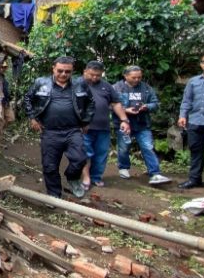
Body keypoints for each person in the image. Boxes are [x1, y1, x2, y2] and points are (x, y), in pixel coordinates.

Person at [24, 56, 95, 198]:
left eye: (67, 72)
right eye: (60, 71)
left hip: (73, 130)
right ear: (53, 69)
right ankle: (54, 195)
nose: (63, 74)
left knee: (80, 158)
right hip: (50, 131)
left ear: (72, 71)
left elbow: (90, 102)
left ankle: (72, 177)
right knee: (50, 166)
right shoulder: (41, 83)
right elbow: (28, 99)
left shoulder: (80, 85)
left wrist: (86, 121)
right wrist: (32, 117)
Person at [112, 66, 171, 185]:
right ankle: (123, 167)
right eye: (134, 77)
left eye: (139, 77)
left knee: (148, 147)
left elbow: (155, 103)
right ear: (126, 75)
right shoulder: (116, 88)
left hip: (143, 124)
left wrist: (146, 107)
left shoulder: (146, 88)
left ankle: (155, 173)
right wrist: (125, 110)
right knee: (124, 148)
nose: (137, 79)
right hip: (124, 124)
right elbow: (110, 105)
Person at [80, 61, 130, 189]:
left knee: (101, 154)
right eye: (92, 75)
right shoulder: (76, 84)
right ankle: (86, 177)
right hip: (83, 127)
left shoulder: (106, 86)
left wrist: (124, 120)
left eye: (98, 75)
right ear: (85, 71)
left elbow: (116, 103)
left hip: (103, 128)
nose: (95, 78)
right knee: (85, 153)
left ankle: (96, 177)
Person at [177, 52, 204, 189]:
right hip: (196, 122)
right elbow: (187, 101)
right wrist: (182, 115)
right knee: (196, 152)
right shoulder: (193, 81)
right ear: (201, 64)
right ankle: (194, 179)